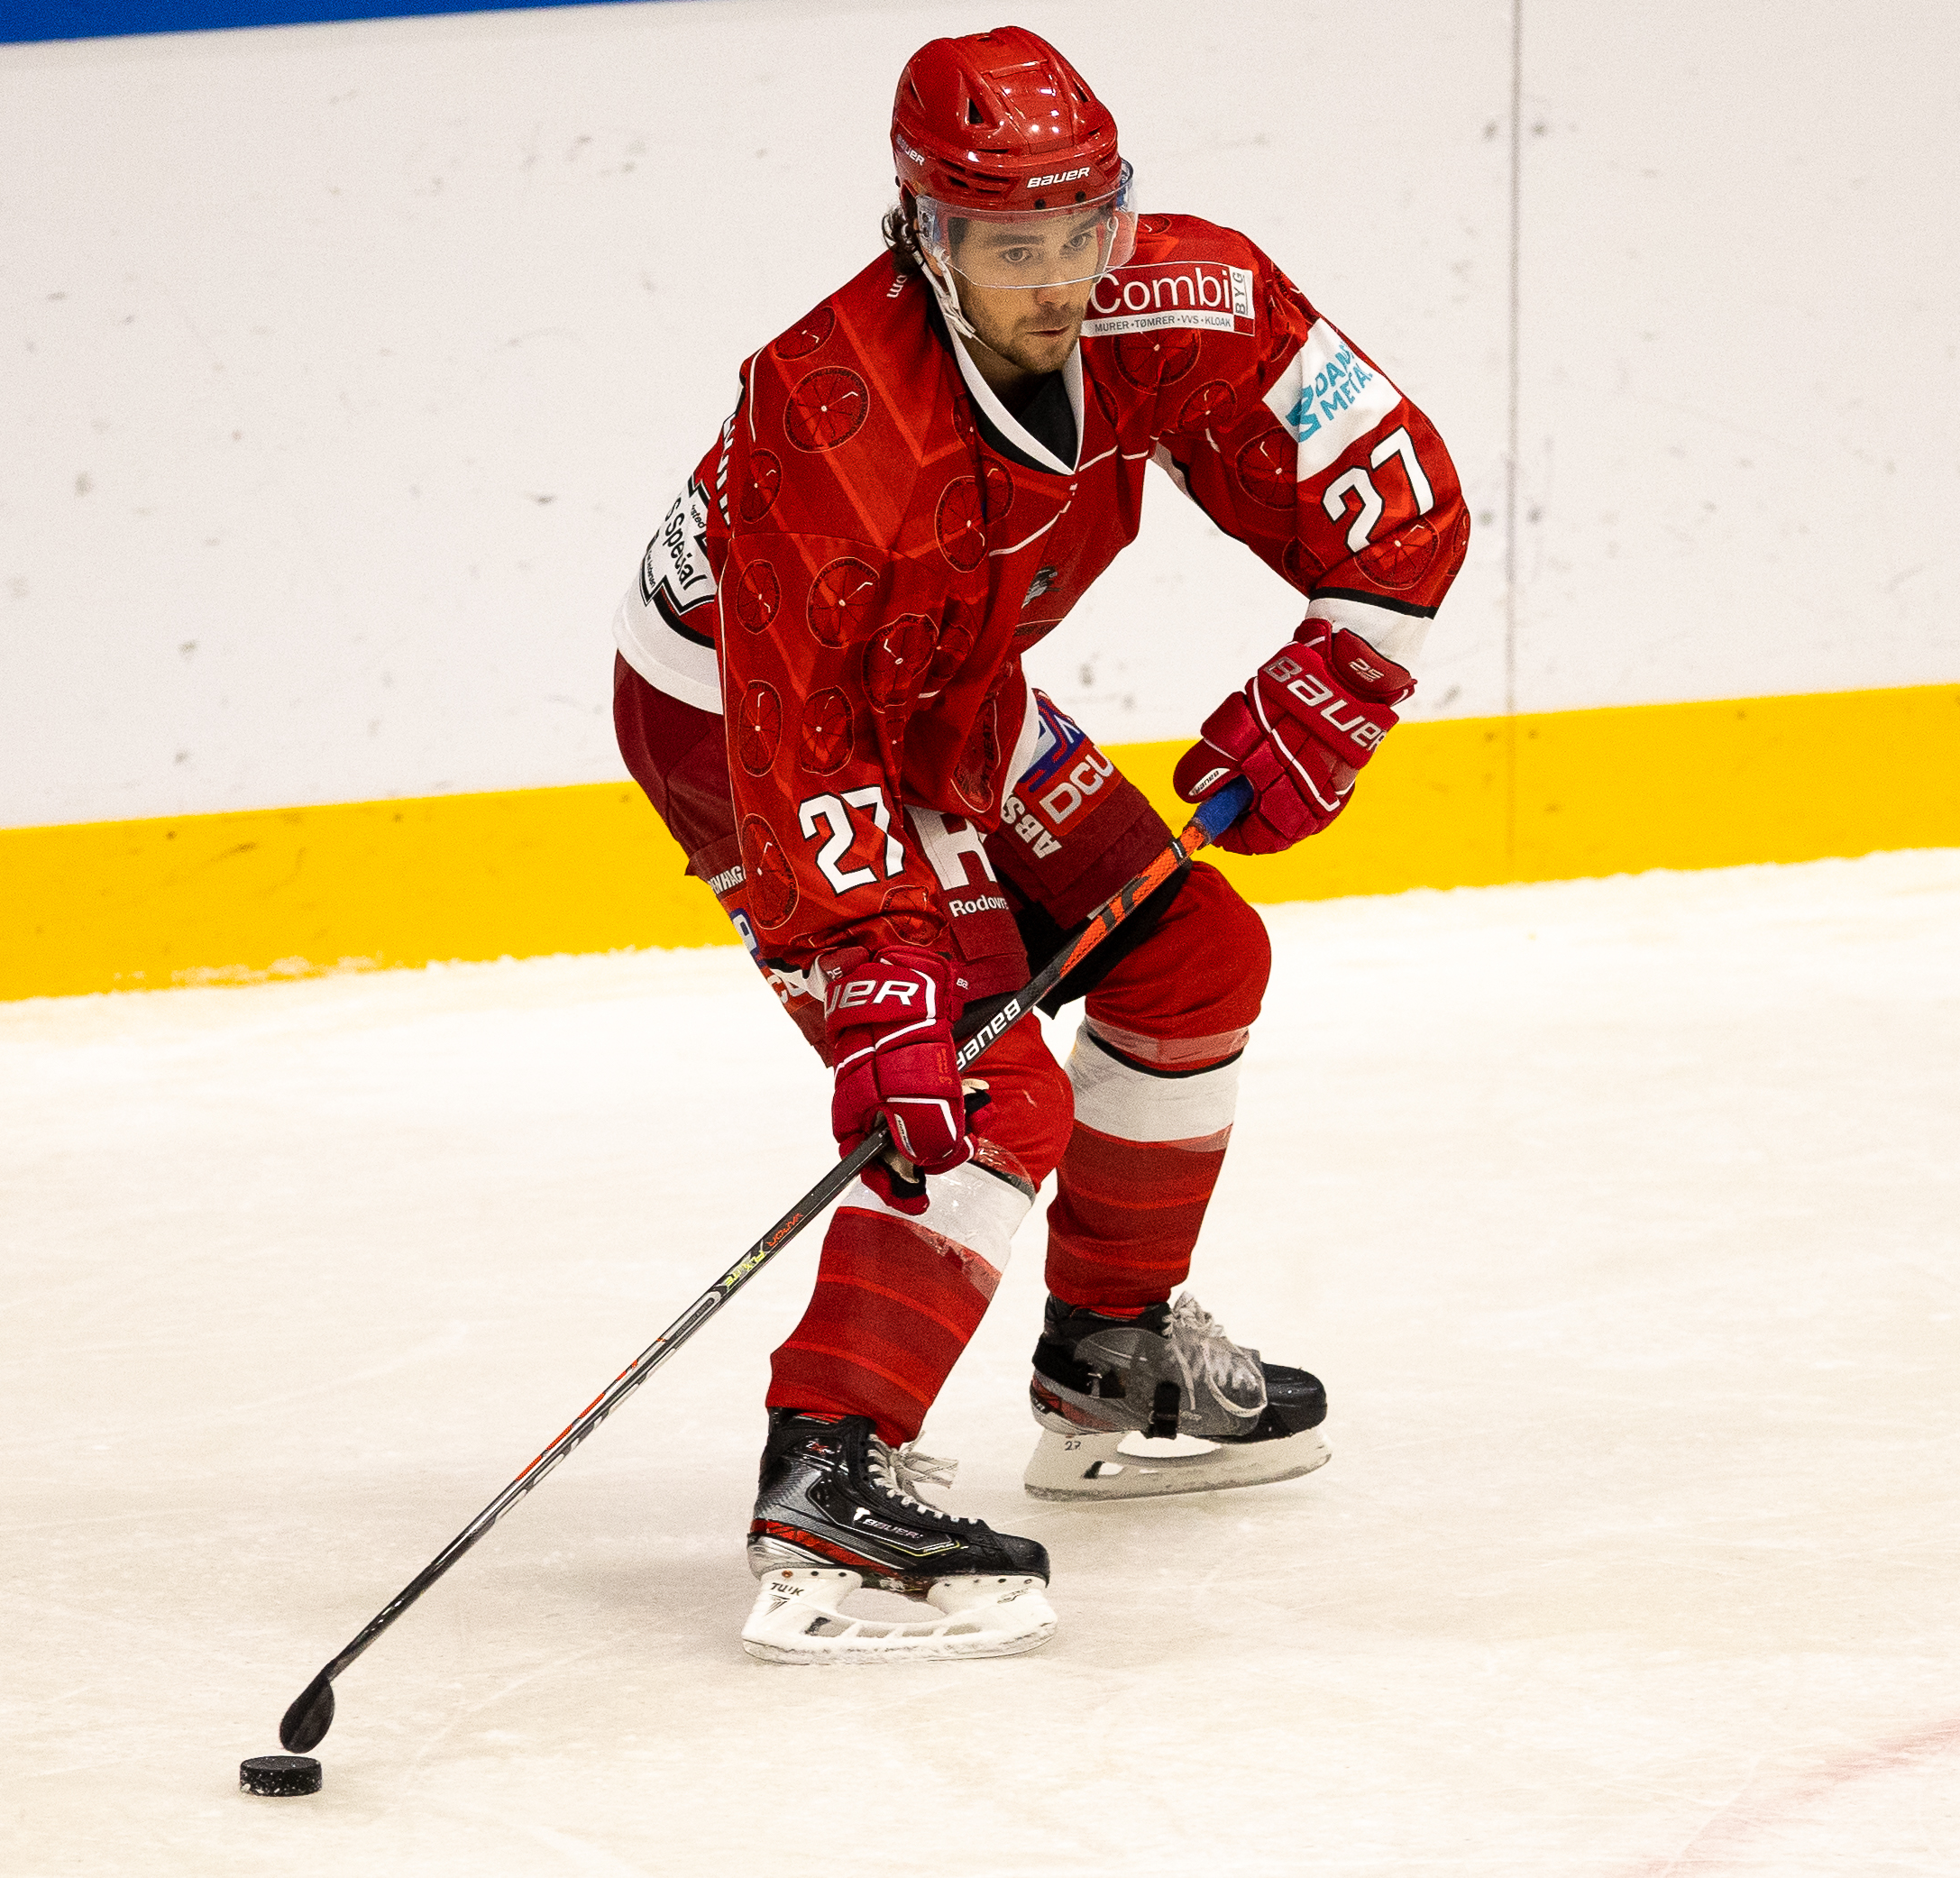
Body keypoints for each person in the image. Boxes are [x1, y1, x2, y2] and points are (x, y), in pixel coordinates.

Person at [609, 23, 1470, 1662]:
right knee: (981, 1081)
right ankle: (829, 1476)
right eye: (1014, 248)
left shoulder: (1182, 298)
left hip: (948, 675)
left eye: (1087, 229)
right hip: (744, 721)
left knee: (1194, 957)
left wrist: (1351, 665)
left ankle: (1106, 1359)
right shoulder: (826, 420)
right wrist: (874, 969)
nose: (1063, 279)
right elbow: (805, 734)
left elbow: (1389, 484)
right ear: (924, 236)